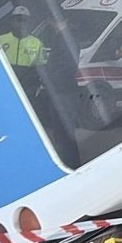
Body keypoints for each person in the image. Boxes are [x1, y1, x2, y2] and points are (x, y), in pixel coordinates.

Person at [39, 17, 81, 168]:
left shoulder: (65, 39)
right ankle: (70, 162)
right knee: (63, 132)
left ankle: (70, 164)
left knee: (63, 132)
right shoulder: (64, 38)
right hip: (62, 90)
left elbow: (68, 65)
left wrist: (51, 80)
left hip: (63, 91)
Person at [0, 6, 45, 98]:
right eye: (18, 19)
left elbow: (42, 67)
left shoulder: (38, 43)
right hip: (5, 79)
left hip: (27, 84)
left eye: (25, 20)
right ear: (12, 21)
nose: (21, 23)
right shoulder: (0, 40)